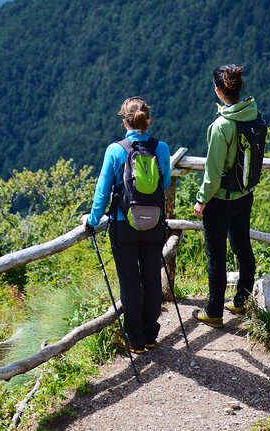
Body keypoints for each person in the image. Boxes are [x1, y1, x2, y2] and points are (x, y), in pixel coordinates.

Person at [83, 96, 171, 353]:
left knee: (130, 282)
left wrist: (91, 220)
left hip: (124, 225)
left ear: (124, 122)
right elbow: (164, 183)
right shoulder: (161, 148)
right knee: (151, 276)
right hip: (154, 223)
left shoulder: (115, 150)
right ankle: (151, 334)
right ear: (148, 120)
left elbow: (102, 192)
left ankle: (136, 340)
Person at [192, 64, 258, 328]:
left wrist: (202, 199)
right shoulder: (253, 115)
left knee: (216, 256)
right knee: (243, 247)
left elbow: (213, 172)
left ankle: (213, 312)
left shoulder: (221, 126)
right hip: (245, 194)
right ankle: (241, 301)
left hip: (220, 200)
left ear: (218, 91)